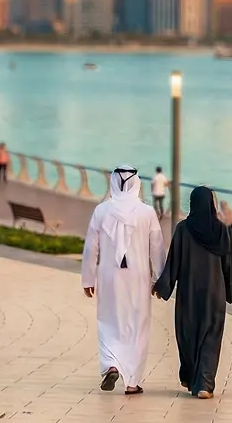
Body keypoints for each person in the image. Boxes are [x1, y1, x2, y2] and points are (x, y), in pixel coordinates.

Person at [80, 164, 165, 396]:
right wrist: (160, 279)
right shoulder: (147, 212)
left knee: (108, 321)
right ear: (136, 184)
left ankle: (111, 365)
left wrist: (88, 278)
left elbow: (90, 249)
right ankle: (132, 382)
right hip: (138, 277)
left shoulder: (101, 211)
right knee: (138, 325)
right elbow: (157, 249)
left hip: (108, 276)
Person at [155, 186, 232, 399]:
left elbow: (173, 261)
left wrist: (163, 286)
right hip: (214, 294)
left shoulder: (183, 230)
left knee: (188, 336)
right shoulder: (221, 230)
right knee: (211, 337)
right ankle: (204, 383)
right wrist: (230, 289)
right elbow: (228, 263)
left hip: (189, 294)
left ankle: (192, 376)